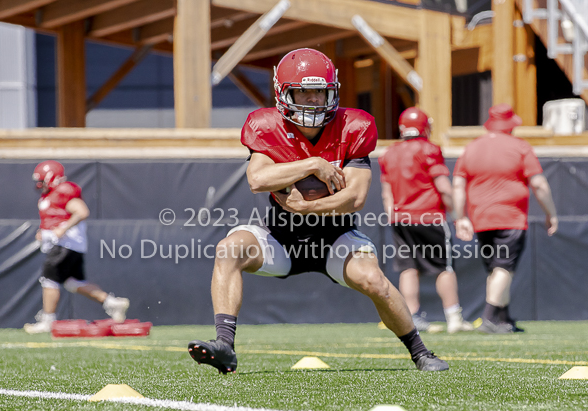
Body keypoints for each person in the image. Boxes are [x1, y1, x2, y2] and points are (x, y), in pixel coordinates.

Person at [188, 48, 448, 373]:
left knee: (374, 281)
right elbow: (258, 179)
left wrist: (306, 206)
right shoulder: (266, 125)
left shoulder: (354, 126)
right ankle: (225, 346)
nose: (312, 99)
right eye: (304, 91)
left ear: (333, 91)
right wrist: (313, 164)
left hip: (335, 236)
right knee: (228, 250)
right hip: (281, 236)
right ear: (284, 94)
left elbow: (355, 198)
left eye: (319, 91)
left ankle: (420, 352)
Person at [452, 104, 558, 334]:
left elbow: (458, 184)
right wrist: (551, 213)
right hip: (510, 218)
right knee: (504, 269)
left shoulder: (471, 148)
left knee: (496, 269)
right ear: (511, 125)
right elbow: (539, 184)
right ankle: (490, 318)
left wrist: (460, 217)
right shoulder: (520, 147)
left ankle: (503, 319)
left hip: (481, 219)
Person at [379, 107, 473, 334]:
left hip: (400, 218)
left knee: (408, 268)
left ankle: (411, 317)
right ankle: (454, 318)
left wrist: (394, 215)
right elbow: (444, 187)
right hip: (429, 216)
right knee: (444, 267)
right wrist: (459, 217)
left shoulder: (389, 153)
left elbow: (386, 193)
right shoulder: (429, 149)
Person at [24, 160, 130, 334]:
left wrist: (62, 229)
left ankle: (47, 320)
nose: (39, 184)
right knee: (73, 282)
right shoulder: (51, 196)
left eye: (42, 180)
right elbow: (55, 218)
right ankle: (112, 303)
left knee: (49, 279)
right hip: (70, 246)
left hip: (65, 244)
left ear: (51, 178)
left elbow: (82, 212)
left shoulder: (63, 191)